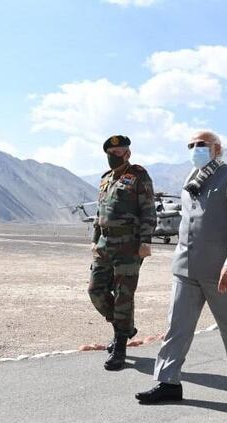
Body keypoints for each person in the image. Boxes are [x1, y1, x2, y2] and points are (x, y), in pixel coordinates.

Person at [135, 130, 227, 404]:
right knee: (176, 327)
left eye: (201, 144)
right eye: (191, 145)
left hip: (221, 269)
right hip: (185, 268)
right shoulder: (191, 178)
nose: (195, 149)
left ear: (217, 148)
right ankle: (168, 382)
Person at [88, 135, 156, 371]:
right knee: (95, 290)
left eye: (120, 152)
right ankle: (125, 327)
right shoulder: (105, 179)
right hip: (105, 243)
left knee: (123, 295)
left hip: (129, 244)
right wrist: (95, 240)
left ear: (128, 153)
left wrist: (146, 241)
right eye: (111, 152)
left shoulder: (138, 176)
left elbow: (148, 210)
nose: (115, 156)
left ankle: (120, 346)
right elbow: (99, 213)